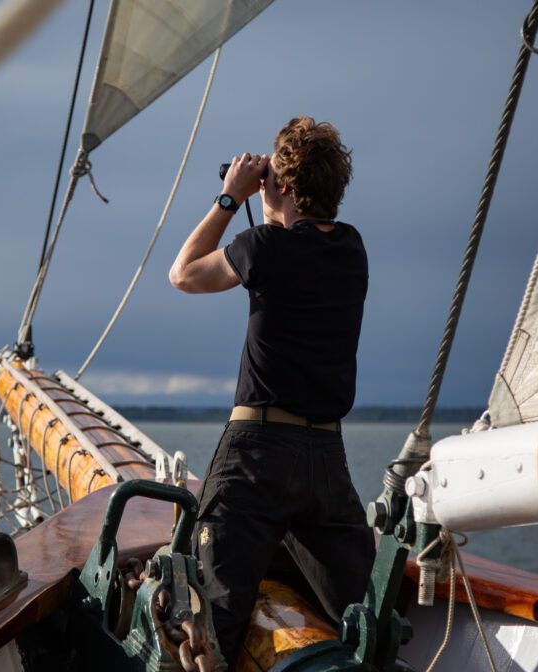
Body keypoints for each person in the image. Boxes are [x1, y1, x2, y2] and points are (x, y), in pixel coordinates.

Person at [168, 116, 375, 667]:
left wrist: (230, 197)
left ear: (282, 186)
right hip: (326, 463)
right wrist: (273, 197)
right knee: (363, 615)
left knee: (213, 626)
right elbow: (297, 243)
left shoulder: (261, 247)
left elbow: (183, 273)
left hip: (256, 458)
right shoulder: (353, 250)